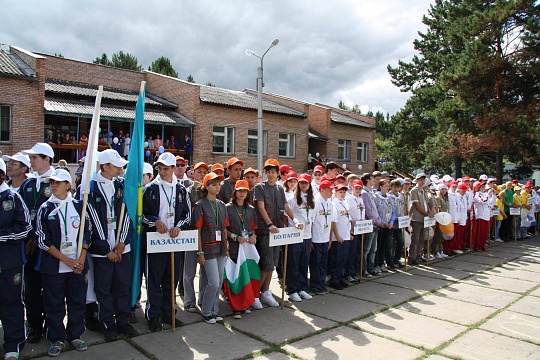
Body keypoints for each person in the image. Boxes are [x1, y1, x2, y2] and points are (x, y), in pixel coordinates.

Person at [35, 169, 91, 357]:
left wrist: (81, 258)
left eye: (58, 182)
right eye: (51, 182)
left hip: (77, 266)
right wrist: (67, 260)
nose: (54, 185)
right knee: (54, 303)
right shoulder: (45, 208)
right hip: (55, 266)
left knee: (77, 301)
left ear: (68, 185)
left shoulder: (79, 205)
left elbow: (87, 232)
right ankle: (57, 337)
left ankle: (75, 334)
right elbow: (43, 240)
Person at [86, 150, 138, 341]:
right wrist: (106, 249)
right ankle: (107, 324)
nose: (120, 169)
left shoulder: (121, 185)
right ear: (105, 166)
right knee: (104, 289)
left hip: (121, 248)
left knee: (122, 286)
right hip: (102, 252)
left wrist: (122, 242)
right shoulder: (90, 187)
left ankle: (123, 322)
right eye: (116, 166)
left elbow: (128, 214)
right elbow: (91, 220)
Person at [142, 152, 191, 332]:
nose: (162, 172)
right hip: (156, 242)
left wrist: (178, 226)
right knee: (154, 280)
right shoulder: (150, 189)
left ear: (173, 169)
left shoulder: (181, 189)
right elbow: (143, 215)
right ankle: (153, 315)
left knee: (171, 279)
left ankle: (169, 313)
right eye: (160, 168)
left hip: (175, 242)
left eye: (165, 169)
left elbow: (187, 215)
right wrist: (155, 221)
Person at [20, 142, 56, 343]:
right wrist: (29, 237)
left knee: (50, 288)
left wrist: (37, 238)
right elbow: (22, 214)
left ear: (47, 159)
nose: (31, 161)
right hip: (29, 247)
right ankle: (34, 325)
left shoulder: (56, 181)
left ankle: (53, 324)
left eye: (35, 158)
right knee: (31, 288)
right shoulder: (27, 184)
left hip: (48, 246)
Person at [253, 159, 302, 306]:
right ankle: (255, 294)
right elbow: (261, 207)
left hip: (278, 230)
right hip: (265, 230)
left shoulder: (280, 189)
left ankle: (266, 291)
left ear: (278, 174)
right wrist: (269, 224)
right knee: (266, 263)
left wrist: (295, 220)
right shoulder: (259, 188)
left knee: (273, 263)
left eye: (273, 172)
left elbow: (286, 205)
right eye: (268, 172)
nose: (271, 175)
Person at [0, 158, 31, 360]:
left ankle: (13, 342)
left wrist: (2, 235)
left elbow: (25, 227)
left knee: (11, 302)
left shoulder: (12, 198)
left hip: (9, 263)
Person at [192, 173, 227, 323]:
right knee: (212, 281)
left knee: (218, 282)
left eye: (219, 184)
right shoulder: (200, 205)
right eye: (213, 184)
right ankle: (206, 311)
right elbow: (197, 230)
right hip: (207, 249)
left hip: (220, 248)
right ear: (206, 187)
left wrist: (226, 248)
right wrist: (199, 252)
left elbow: (224, 228)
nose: (217, 187)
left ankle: (214, 310)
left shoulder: (221, 205)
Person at [224, 180, 259, 317]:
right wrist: (234, 236)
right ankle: (235, 308)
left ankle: (244, 305)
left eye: (245, 191)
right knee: (235, 277)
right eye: (240, 191)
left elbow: (253, 229)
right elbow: (223, 228)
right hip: (233, 248)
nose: (242, 193)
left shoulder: (250, 209)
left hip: (246, 249)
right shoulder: (227, 208)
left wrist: (254, 236)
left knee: (246, 276)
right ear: (235, 192)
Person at [183, 162, 209, 314]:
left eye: (205, 172)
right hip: (191, 234)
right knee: (189, 271)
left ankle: (203, 298)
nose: (202, 174)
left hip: (206, 235)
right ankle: (189, 301)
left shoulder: (208, 191)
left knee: (205, 271)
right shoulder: (187, 191)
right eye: (199, 172)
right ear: (193, 173)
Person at [285, 174, 315, 302]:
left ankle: (302, 288)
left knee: (304, 263)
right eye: (301, 183)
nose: (303, 185)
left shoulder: (311, 199)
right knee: (294, 263)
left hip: (307, 235)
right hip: (296, 236)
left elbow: (312, 218)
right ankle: (292, 290)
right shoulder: (292, 198)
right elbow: (286, 215)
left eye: (306, 183)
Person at [309, 179, 336, 294]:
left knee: (323, 262)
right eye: (329, 189)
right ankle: (315, 284)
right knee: (316, 262)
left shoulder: (330, 204)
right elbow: (310, 222)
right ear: (322, 190)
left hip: (325, 238)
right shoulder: (315, 202)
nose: (331, 192)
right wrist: (310, 239)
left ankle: (321, 283)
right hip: (316, 238)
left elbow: (331, 222)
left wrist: (330, 239)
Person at [328, 183, 352, 290]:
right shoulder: (334, 204)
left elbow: (348, 220)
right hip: (338, 238)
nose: (342, 194)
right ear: (335, 192)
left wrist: (349, 233)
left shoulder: (345, 203)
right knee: (336, 260)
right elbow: (333, 223)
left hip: (346, 236)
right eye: (340, 192)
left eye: (343, 192)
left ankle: (340, 278)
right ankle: (334, 280)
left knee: (343, 260)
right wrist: (337, 236)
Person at [345, 179, 365, 281]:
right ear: (352, 187)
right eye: (356, 187)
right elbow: (347, 213)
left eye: (360, 188)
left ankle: (355, 272)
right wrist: (351, 221)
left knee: (358, 252)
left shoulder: (360, 199)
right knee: (351, 253)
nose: (358, 190)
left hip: (360, 229)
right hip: (352, 230)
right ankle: (349, 273)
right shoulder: (349, 199)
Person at [360, 172, 380, 277]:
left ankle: (371, 268)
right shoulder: (364, 193)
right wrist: (374, 219)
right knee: (366, 249)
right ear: (367, 179)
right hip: (369, 224)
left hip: (375, 224)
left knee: (373, 248)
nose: (374, 180)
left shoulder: (371, 192)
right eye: (372, 178)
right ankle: (364, 269)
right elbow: (367, 209)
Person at [408, 173, 430, 265]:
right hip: (417, 217)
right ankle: (411, 257)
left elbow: (426, 203)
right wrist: (426, 213)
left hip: (424, 218)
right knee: (415, 239)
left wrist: (429, 213)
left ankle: (418, 255)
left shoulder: (423, 191)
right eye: (420, 179)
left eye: (423, 179)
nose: (422, 181)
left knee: (421, 238)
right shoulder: (414, 191)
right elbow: (416, 205)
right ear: (416, 180)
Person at [374, 179, 394, 272]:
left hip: (388, 225)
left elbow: (393, 211)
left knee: (384, 245)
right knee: (378, 246)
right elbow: (376, 212)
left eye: (388, 186)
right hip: (381, 225)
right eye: (385, 186)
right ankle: (377, 264)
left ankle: (382, 263)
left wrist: (391, 222)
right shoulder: (376, 197)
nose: (387, 188)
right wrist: (382, 222)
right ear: (380, 186)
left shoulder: (389, 197)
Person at [388, 179, 407, 267]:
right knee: (390, 243)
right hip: (391, 222)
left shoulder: (400, 196)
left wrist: (403, 219)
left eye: (397, 187)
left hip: (399, 222)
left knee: (400, 242)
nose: (396, 189)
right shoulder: (388, 196)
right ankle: (389, 260)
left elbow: (403, 208)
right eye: (394, 187)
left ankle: (397, 259)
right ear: (391, 187)